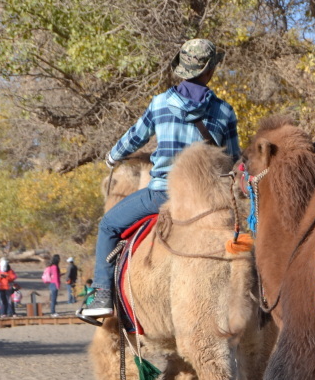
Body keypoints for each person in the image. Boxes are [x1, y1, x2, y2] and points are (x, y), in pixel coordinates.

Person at [79, 38, 240, 319]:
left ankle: (102, 297)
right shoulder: (224, 111)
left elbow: (134, 137)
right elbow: (234, 160)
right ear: (209, 71)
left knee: (107, 226)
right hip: (207, 199)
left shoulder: (160, 103)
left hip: (162, 194)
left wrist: (113, 157)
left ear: (182, 70)